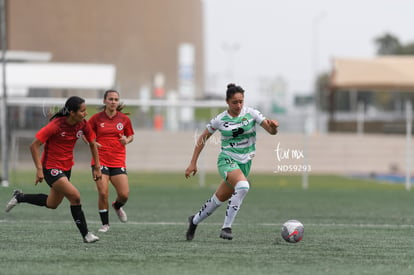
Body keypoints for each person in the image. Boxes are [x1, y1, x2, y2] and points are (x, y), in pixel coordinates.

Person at [185, 83, 279, 241]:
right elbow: (202, 138)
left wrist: (274, 127)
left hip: (245, 164)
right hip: (227, 160)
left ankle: (194, 221)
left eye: (241, 101)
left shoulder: (252, 114)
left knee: (218, 199)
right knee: (243, 186)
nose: (239, 105)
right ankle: (226, 227)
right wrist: (193, 162)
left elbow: (271, 131)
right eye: (235, 102)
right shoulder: (220, 119)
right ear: (227, 102)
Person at [5, 96, 101, 243]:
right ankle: (86, 235)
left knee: (52, 204)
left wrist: (96, 167)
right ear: (72, 112)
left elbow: (92, 143)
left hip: (67, 168)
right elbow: (34, 146)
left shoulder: (82, 124)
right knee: (75, 196)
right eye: (82, 111)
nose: (86, 113)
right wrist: (39, 169)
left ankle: (20, 197)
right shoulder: (55, 125)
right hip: (51, 168)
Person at [87, 90, 134, 233]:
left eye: (116, 99)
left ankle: (117, 206)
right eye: (110, 99)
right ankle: (105, 224)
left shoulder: (124, 119)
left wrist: (126, 140)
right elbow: (86, 134)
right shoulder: (96, 119)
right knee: (103, 193)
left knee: (124, 194)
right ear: (104, 101)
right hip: (100, 161)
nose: (113, 101)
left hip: (118, 161)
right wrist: (92, 142)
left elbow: (131, 135)